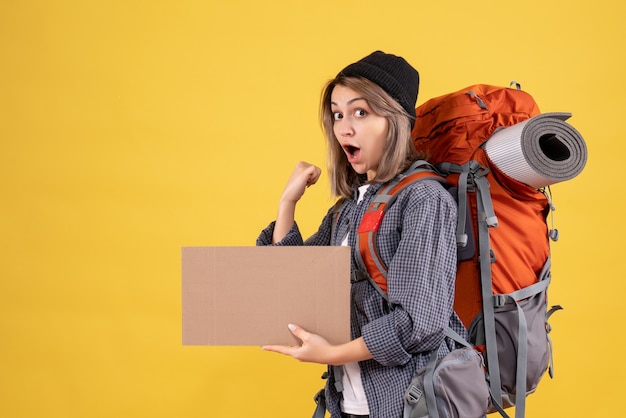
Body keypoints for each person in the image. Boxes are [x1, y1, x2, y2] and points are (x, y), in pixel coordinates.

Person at [257, 51, 466, 418]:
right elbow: (286, 284)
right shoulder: (349, 207)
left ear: (395, 121)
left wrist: (331, 354)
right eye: (338, 114)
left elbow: (420, 322)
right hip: (350, 404)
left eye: (361, 112)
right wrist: (287, 203)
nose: (344, 128)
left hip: (413, 402)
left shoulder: (424, 198)